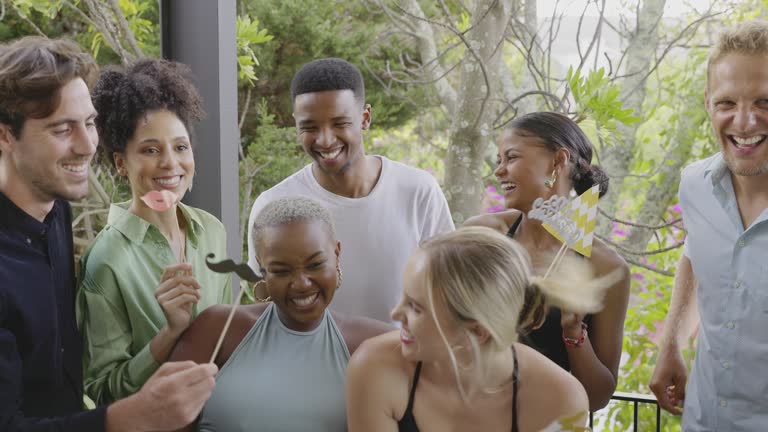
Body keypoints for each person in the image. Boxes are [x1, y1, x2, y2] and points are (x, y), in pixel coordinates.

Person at [0, 36, 216, 432]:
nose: (87, 146)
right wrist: (134, 414)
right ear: (5, 136)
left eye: (88, 123)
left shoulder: (56, 208)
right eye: (62, 129)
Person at [347, 227, 616, 431]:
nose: (395, 314)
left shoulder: (561, 398)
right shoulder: (375, 365)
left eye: (416, 308)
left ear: (477, 331)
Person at [246, 58, 454, 323]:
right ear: (295, 123)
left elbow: (449, 289)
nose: (325, 139)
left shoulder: (417, 192)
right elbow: (264, 306)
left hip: (401, 359)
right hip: (310, 362)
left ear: (365, 118)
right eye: (309, 127)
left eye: (339, 123)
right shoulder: (273, 204)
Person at [76, 58, 231, 404]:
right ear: (120, 162)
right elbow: (102, 390)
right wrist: (169, 333)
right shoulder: (106, 261)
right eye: (150, 150)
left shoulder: (211, 231)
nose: (170, 164)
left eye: (180, 147)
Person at [170, 196, 392, 431]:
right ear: (262, 269)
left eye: (315, 265)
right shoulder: (217, 330)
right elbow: (164, 422)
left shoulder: (372, 344)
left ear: (337, 254)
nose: (302, 284)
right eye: (282, 270)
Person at [463, 112, 630, 410]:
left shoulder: (607, 269)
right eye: (499, 160)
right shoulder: (482, 235)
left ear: (557, 162)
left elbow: (597, 398)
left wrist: (574, 335)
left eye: (510, 158)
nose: (499, 171)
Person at [649, 21, 768, 431]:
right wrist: (672, 343)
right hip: (703, 419)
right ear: (707, 103)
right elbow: (696, 255)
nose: (745, 121)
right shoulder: (695, 186)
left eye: (765, 102)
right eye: (726, 103)